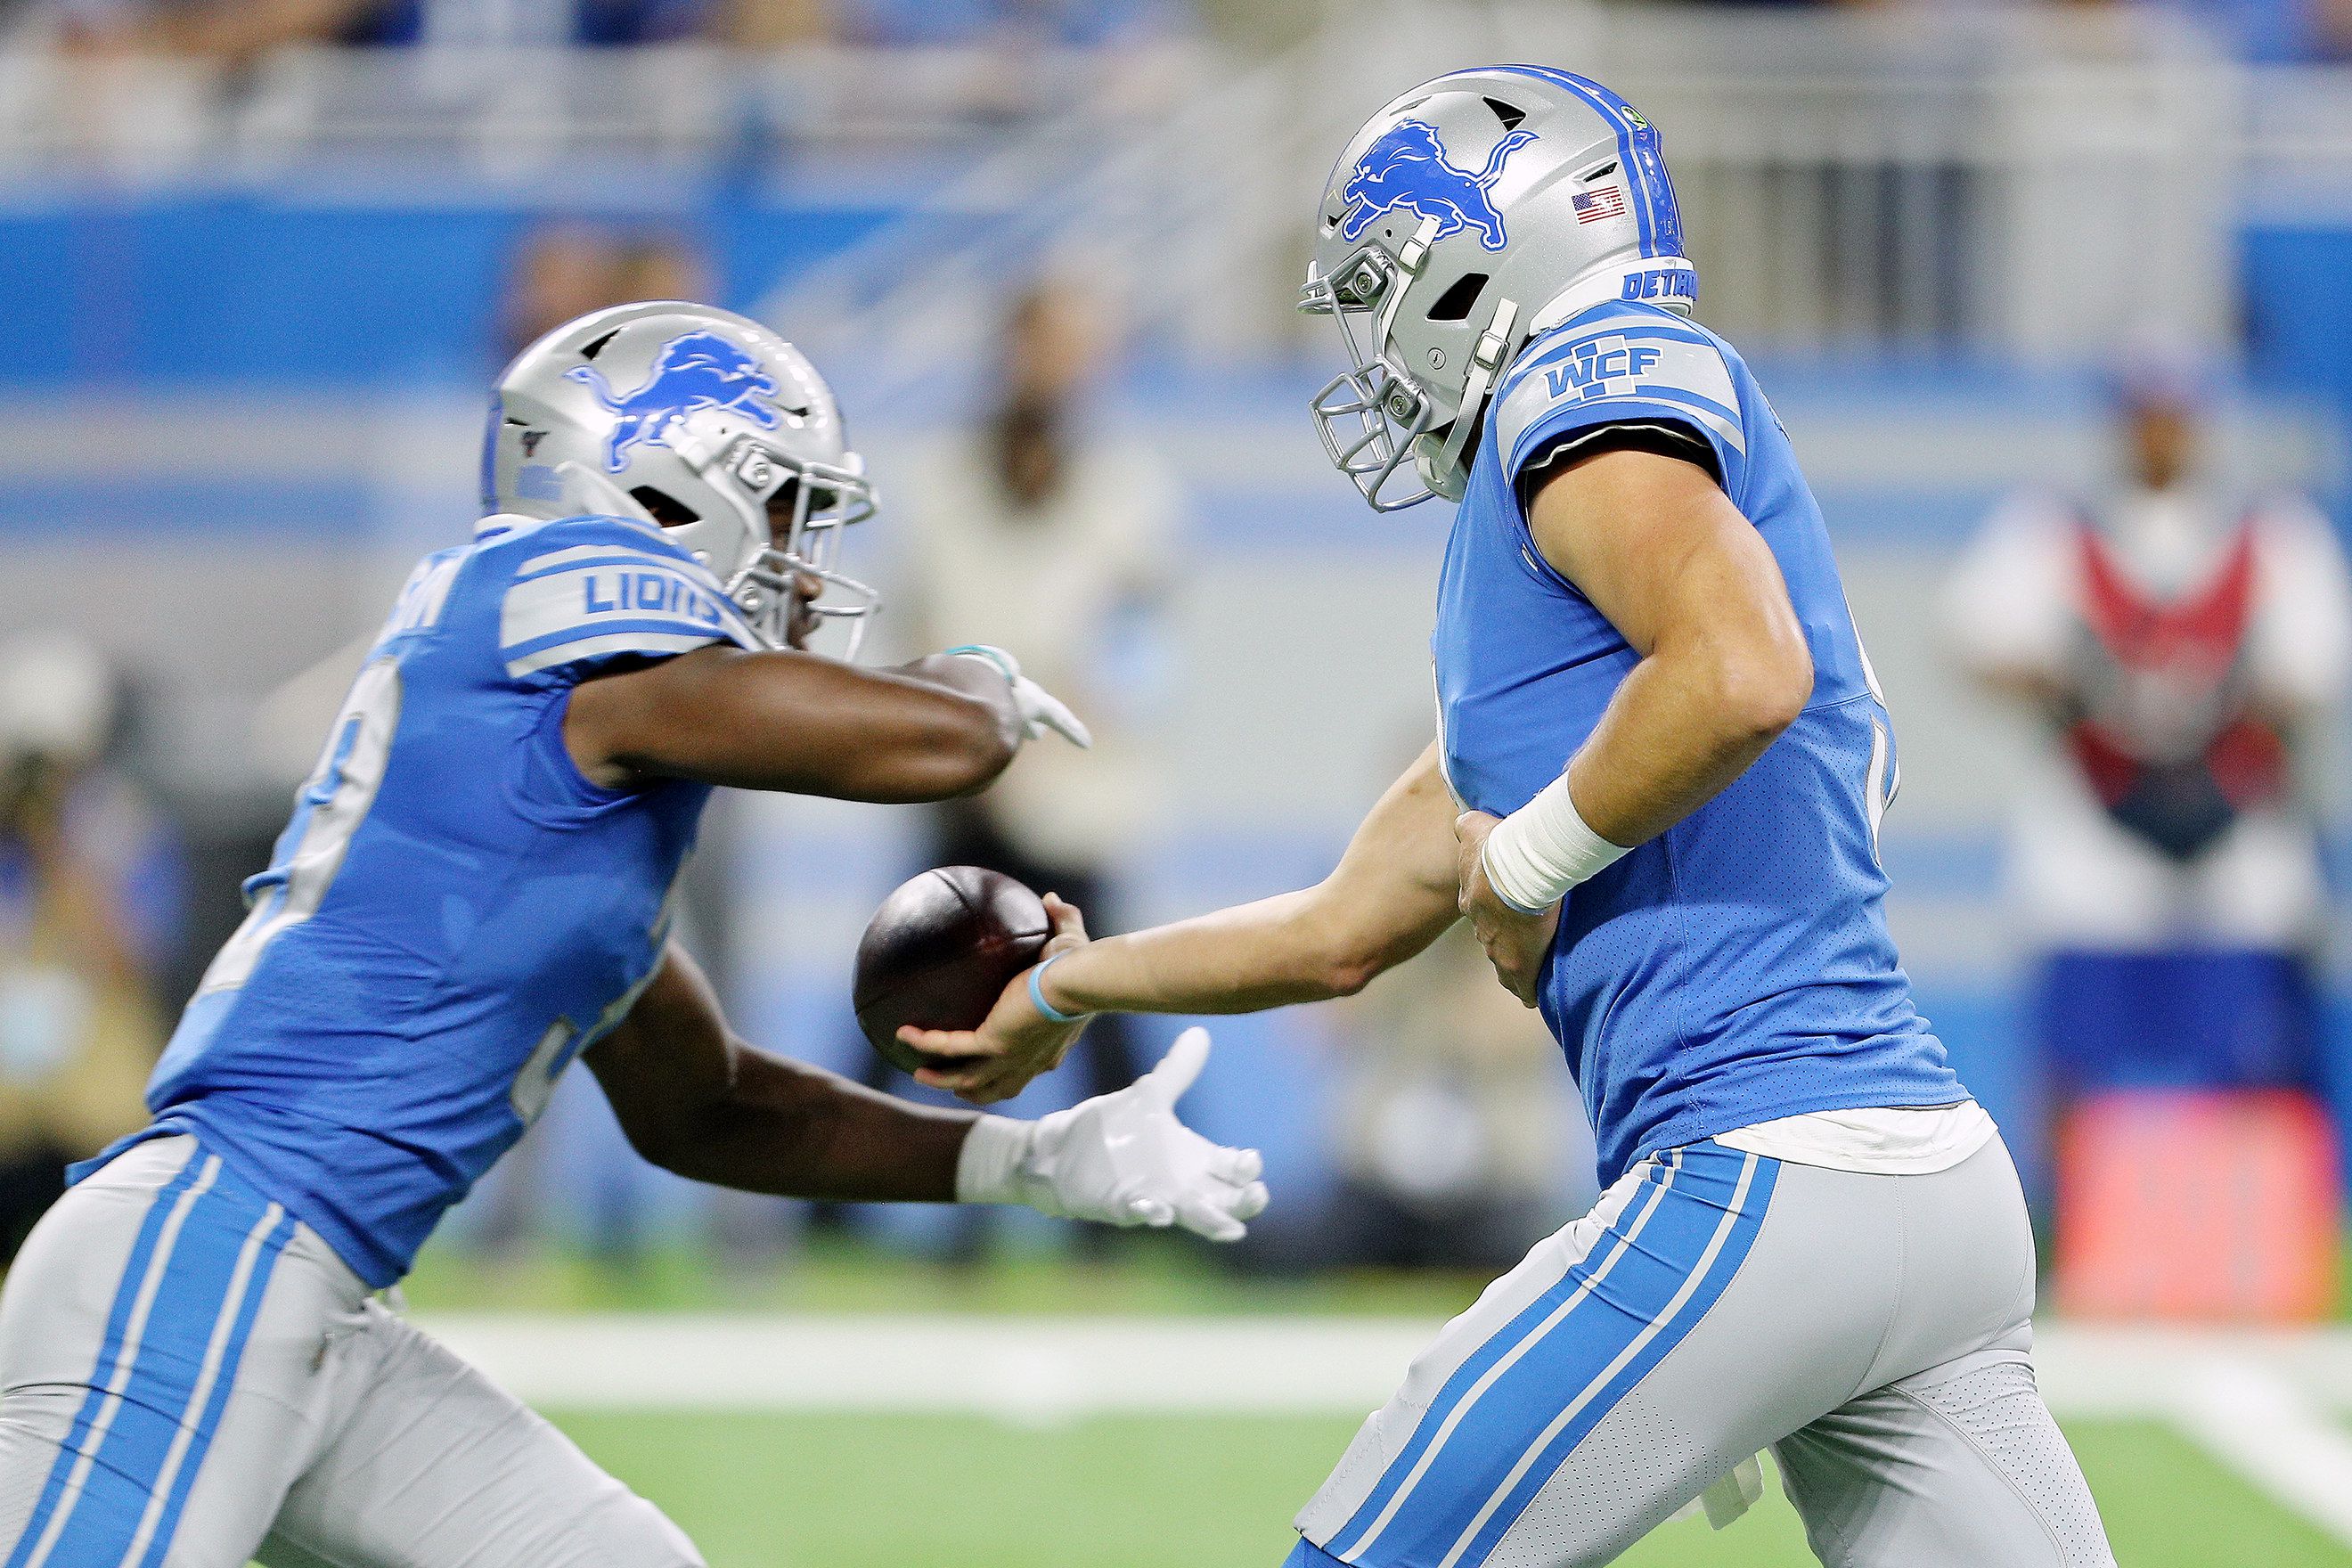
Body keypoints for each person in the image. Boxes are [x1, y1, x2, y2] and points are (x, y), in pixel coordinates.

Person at [905, 68, 2117, 1568]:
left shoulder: (1586, 381)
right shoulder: (1561, 626)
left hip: (1765, 1166)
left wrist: (1533, 860)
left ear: (1491, 261)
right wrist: (1062, 987)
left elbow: (1741, 673)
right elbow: (1343, 931)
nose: (1368, 342)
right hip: (1928, 1190)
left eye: (1382, 290)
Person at [0, 299, 1267, 1568]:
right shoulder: (529, 598)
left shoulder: (573, 814)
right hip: (201, 1266)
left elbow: (708, 1110)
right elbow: (946, 739)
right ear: (660, 492)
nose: (809, 571)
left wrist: (1033, 1160)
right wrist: (990, 664)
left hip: (316, 1308)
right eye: (783, 512)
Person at [1945, 366, 2352, 1100]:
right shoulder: (2053, 531)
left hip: (2235, 838)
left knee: (2254, 1084)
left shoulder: (2272, 534)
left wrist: (2204, 702)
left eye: (2175, 414)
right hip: (2096, 833)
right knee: (2082, 1076)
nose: (2160, 434)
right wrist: (2088, 684)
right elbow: (1977, 645)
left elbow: (2311, 676)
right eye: (2144, 415)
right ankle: (2075, 1209)